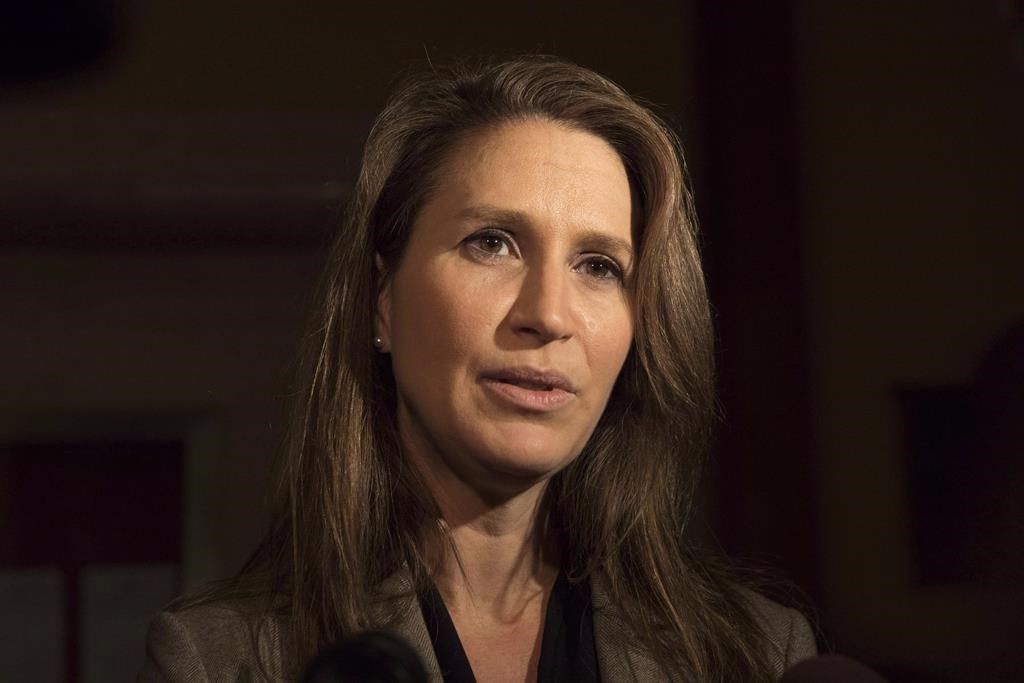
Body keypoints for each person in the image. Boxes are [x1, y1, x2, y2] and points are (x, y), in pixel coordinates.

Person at [140, 55, 816, 682]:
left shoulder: (757, 653)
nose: (549, 314)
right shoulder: (218, 660)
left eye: (599, 265)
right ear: (383, 300)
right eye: (492, 243)